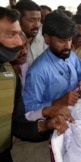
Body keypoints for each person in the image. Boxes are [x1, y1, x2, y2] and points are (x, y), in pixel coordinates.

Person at [0, 7, 72, 162]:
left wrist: (46, 125)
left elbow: (18, 124)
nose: (19, 42)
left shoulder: (10, 76)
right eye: (11, 35)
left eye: (19, 34)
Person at [23, 12, 81, 116]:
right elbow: (28, 108)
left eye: (69, 39)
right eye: (62, 41)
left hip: (78, 115)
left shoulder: (71, 56)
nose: (68, 46)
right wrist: (57, 102)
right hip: (52, 126)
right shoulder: (37, 71)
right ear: (47, 38)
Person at [14, 0, 47, 66]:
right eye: (32, 20)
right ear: (18, 20)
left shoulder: (44, 39)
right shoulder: (9, 42)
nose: (37, 25)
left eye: (39, 20)